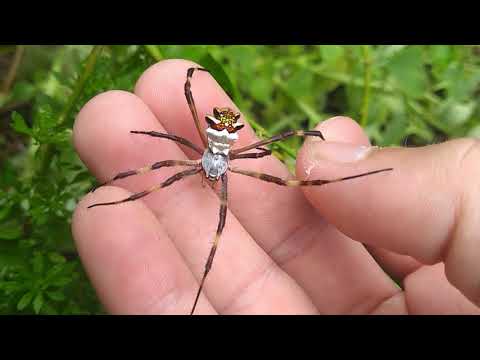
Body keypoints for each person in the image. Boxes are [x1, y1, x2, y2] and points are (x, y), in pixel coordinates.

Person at [72, 59, 480, 314]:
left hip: (224, 144)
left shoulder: (234, 164)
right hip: (215, 142)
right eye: (209, 174)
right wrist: (183, 95)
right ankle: (107, 202)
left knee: (253, 201)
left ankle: (364, 173)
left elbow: (279, 146)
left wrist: (305, 134)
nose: (210, 178)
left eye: (213, 174)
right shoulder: (197, 157)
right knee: (161, 165)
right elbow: (162, 149)